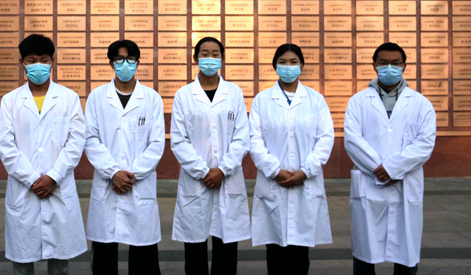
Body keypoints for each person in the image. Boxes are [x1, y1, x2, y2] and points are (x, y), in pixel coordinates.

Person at [0, 34, 87, 275]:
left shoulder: (68, 98)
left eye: (44, 60)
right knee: (22, 262)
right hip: (24, 189)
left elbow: (75, 142)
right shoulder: (10, 100)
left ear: (52, 61)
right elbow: (6, 146)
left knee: (59, 262)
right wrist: (32, 179)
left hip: (58, 186)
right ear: (22, 63)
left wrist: (53, 177)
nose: (38, 65)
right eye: (31, 60)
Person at [344, 42, 436, 275]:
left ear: (404, 66)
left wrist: (394, 169)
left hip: (405, 184)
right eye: (383, 63)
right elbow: (352, 140)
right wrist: (381, 170)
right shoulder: (358, 101)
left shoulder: (420, 103)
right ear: (374, 65)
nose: (389, 68)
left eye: (395, 63)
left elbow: (425, 143)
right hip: (369, 182)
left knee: (406, 252)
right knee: (365, 254)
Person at [249, 43, 334, 275]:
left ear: (302, 65)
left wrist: (305, 171)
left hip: (305, 183)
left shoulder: (315, 100)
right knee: (274, 251)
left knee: (300, 254)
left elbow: (325, 139)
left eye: (293, 62)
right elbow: (254, 140)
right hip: (273, 183)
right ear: (275, 66)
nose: (288, 67)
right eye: (283, 62)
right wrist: (275, 170)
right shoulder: (262, 100)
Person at [170, 37, 251, 275]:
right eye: (204, 54)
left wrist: (223, 169)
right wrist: (204, 171)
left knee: (226, 250)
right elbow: (179, 140)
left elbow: (242, 137)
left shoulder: (234, 93)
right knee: (194, 250)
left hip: (227, 178)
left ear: (222, 58)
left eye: (215, 54)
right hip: (197, 181)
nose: (210, 58)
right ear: (195, 58)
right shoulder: (184, 95)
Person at [84, 39, 165, 275]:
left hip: (138, 184)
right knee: (104, 256)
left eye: (130, 59)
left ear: (138, 62)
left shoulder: (151, 98)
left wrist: (130, 175)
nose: (125, 64)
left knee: (144, 256)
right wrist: (113, 172)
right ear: (111, 63)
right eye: (119, 59)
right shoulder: (97, 97)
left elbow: (156, 143)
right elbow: (90, 139)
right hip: (108, 184)